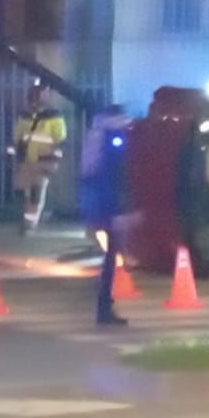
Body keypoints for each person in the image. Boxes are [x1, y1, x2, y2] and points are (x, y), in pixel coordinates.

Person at [80, 105, 134, 326]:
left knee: (110, 258)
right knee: (111, 259)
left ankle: (105, 306)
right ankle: (104, 309)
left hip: (98, 205)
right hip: (108, 207)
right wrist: (119, 211)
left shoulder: (95, 135)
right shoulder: (112, 138)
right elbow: (113, 177)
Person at [9, 84, 67, 235]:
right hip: (27, 160)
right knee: (20, 190)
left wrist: (55, 159)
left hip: (44, 160)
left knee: (36, 192)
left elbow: (60, 139)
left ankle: (29, 224)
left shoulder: (54, 116)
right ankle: (27, 219)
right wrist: (13, 151)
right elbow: (17, 137)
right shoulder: (25, 116)